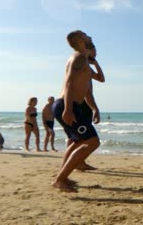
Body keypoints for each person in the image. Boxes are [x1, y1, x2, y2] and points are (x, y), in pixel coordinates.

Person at [51, 30, 101, 192]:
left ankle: (62, 177)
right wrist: (68, 108)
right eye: (85, 35)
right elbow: (68, 83)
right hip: (67, 104)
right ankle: (60, 179)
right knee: (93, 141)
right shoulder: (78, 57)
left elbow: (96, 82)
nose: (89, 36)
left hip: (72, 105)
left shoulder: (83, 59)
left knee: (77, 142)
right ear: (80, 40)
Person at [66, 38, 104, 171]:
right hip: (79, 103)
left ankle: (80, 163)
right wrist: (68, 108)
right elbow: (69, 83)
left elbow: (101, 79)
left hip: (86, 104)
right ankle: (69, 166)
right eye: (94, 50)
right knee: (77, 139)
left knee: (81, 138)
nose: (96, 52)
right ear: (89, 49)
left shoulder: (88, 65)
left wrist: (96, 63)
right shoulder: (81, 62)